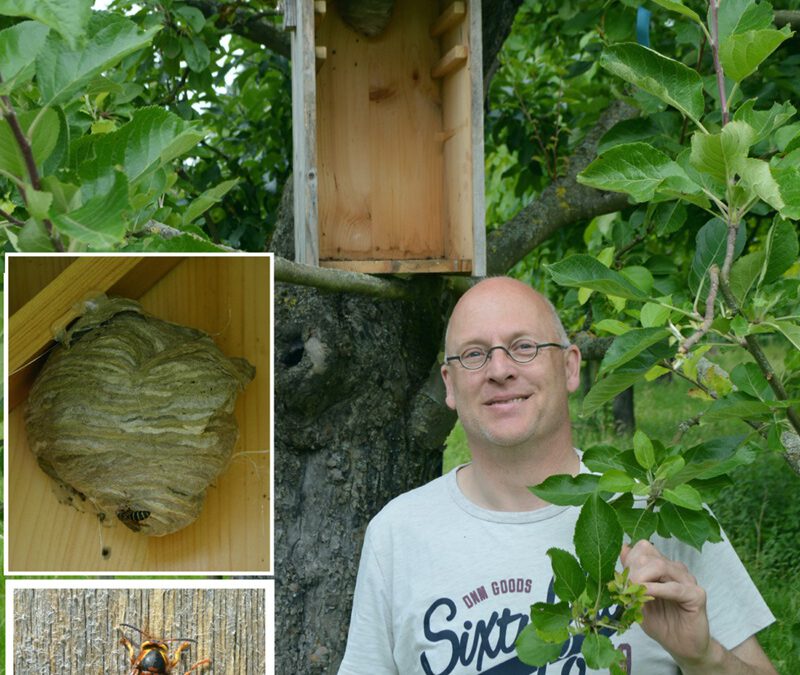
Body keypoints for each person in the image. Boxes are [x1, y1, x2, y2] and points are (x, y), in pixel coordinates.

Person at [338, 277, 777, 675]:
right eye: (474, 354)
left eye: (523, 346)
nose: (499, 369)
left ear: (569, 367)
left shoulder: (661, 514)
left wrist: (704, 658)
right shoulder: (397, 534)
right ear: (450, 385)